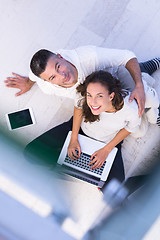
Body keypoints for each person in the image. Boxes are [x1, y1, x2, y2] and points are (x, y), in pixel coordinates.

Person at [5, 45, 147, 117]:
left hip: (114, 79)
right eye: (53, 77)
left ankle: (146, 68)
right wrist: (28, 83)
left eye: (58, 66)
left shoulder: (90, 57)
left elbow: (127, 56)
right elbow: (33, 75)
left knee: (142, 100)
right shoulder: (45, 85)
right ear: (46, 81)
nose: (62, 76)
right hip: (97, 98)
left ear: (60, 56)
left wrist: (139, 85)